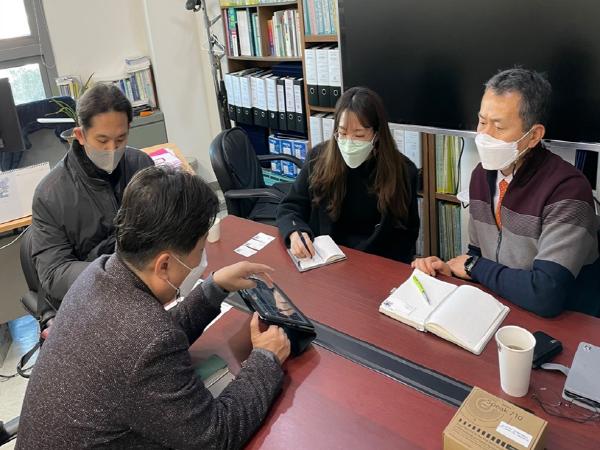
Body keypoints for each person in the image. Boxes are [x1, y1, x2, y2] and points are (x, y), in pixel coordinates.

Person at [17, 166, 291, 449]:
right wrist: (265, 359)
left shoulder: (99, 273)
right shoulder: (148, 339)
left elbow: (150, 336)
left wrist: (214, 287)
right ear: (164, 265)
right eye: (199, 252)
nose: (201, 261)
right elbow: (215, 437)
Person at [413, 68, 600, 317]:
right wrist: (450, 271)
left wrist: (473, 266)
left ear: (534, 136)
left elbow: (546, 293)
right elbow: (478, 256)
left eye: (498, 127)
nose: (484, 135)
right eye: (482, 122)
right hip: (503, 306)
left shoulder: (568, 190)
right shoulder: (481, 176)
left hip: (567, 323)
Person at [30, 83, 154, 310]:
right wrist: (116, 270)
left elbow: (161, 226)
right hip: (90, 299)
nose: (112, 149)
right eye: (102, 140)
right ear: (80, 135)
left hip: (147, 287)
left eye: (120, 139)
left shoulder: (141, 165)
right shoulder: (50, 195)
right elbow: (54, 273)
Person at [277, 87, 420, 263]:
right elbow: (290, 206)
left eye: (359, 135)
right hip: (325, 259)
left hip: (375, 263)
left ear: (377, 135)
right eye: (343, 133)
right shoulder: (318, 158)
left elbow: (407, 236)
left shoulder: (403, 171)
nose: (348, 142)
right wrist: (294, 232)